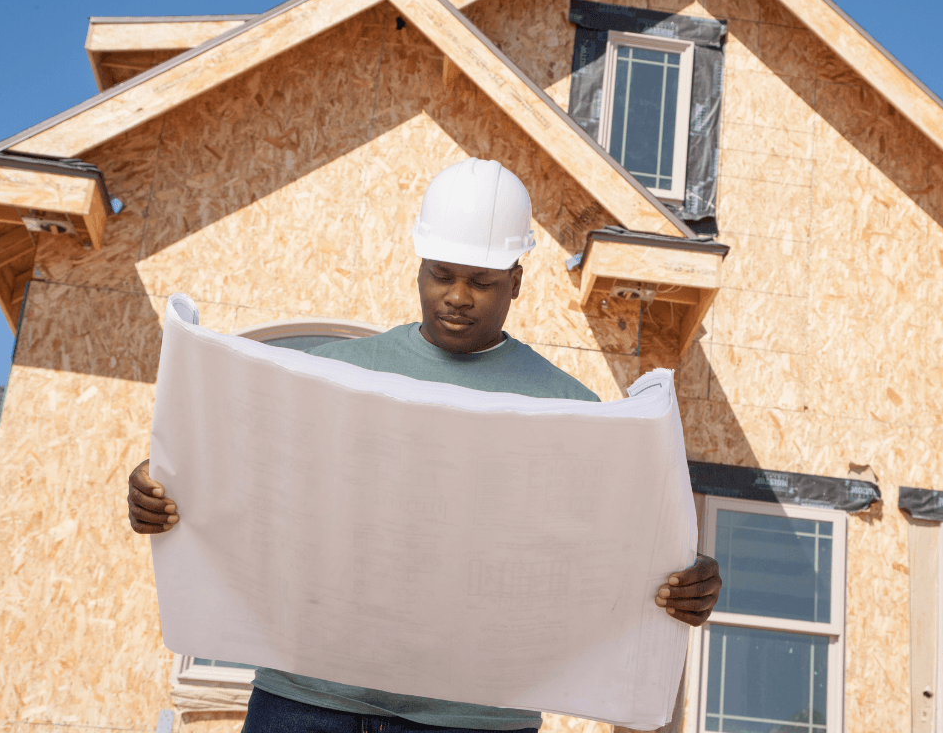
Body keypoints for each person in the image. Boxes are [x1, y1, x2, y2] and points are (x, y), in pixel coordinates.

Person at [126, 157, 722, 733]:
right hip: (305, 700)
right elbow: (240, 481)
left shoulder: (572, 413)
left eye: (482, 281)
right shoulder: (335, 373)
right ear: (419, 267)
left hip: (474, 720)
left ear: (517, 281)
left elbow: (622, 554)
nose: (458, 296)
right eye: (442, 274)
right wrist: (163, 484)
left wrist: (684, 580)